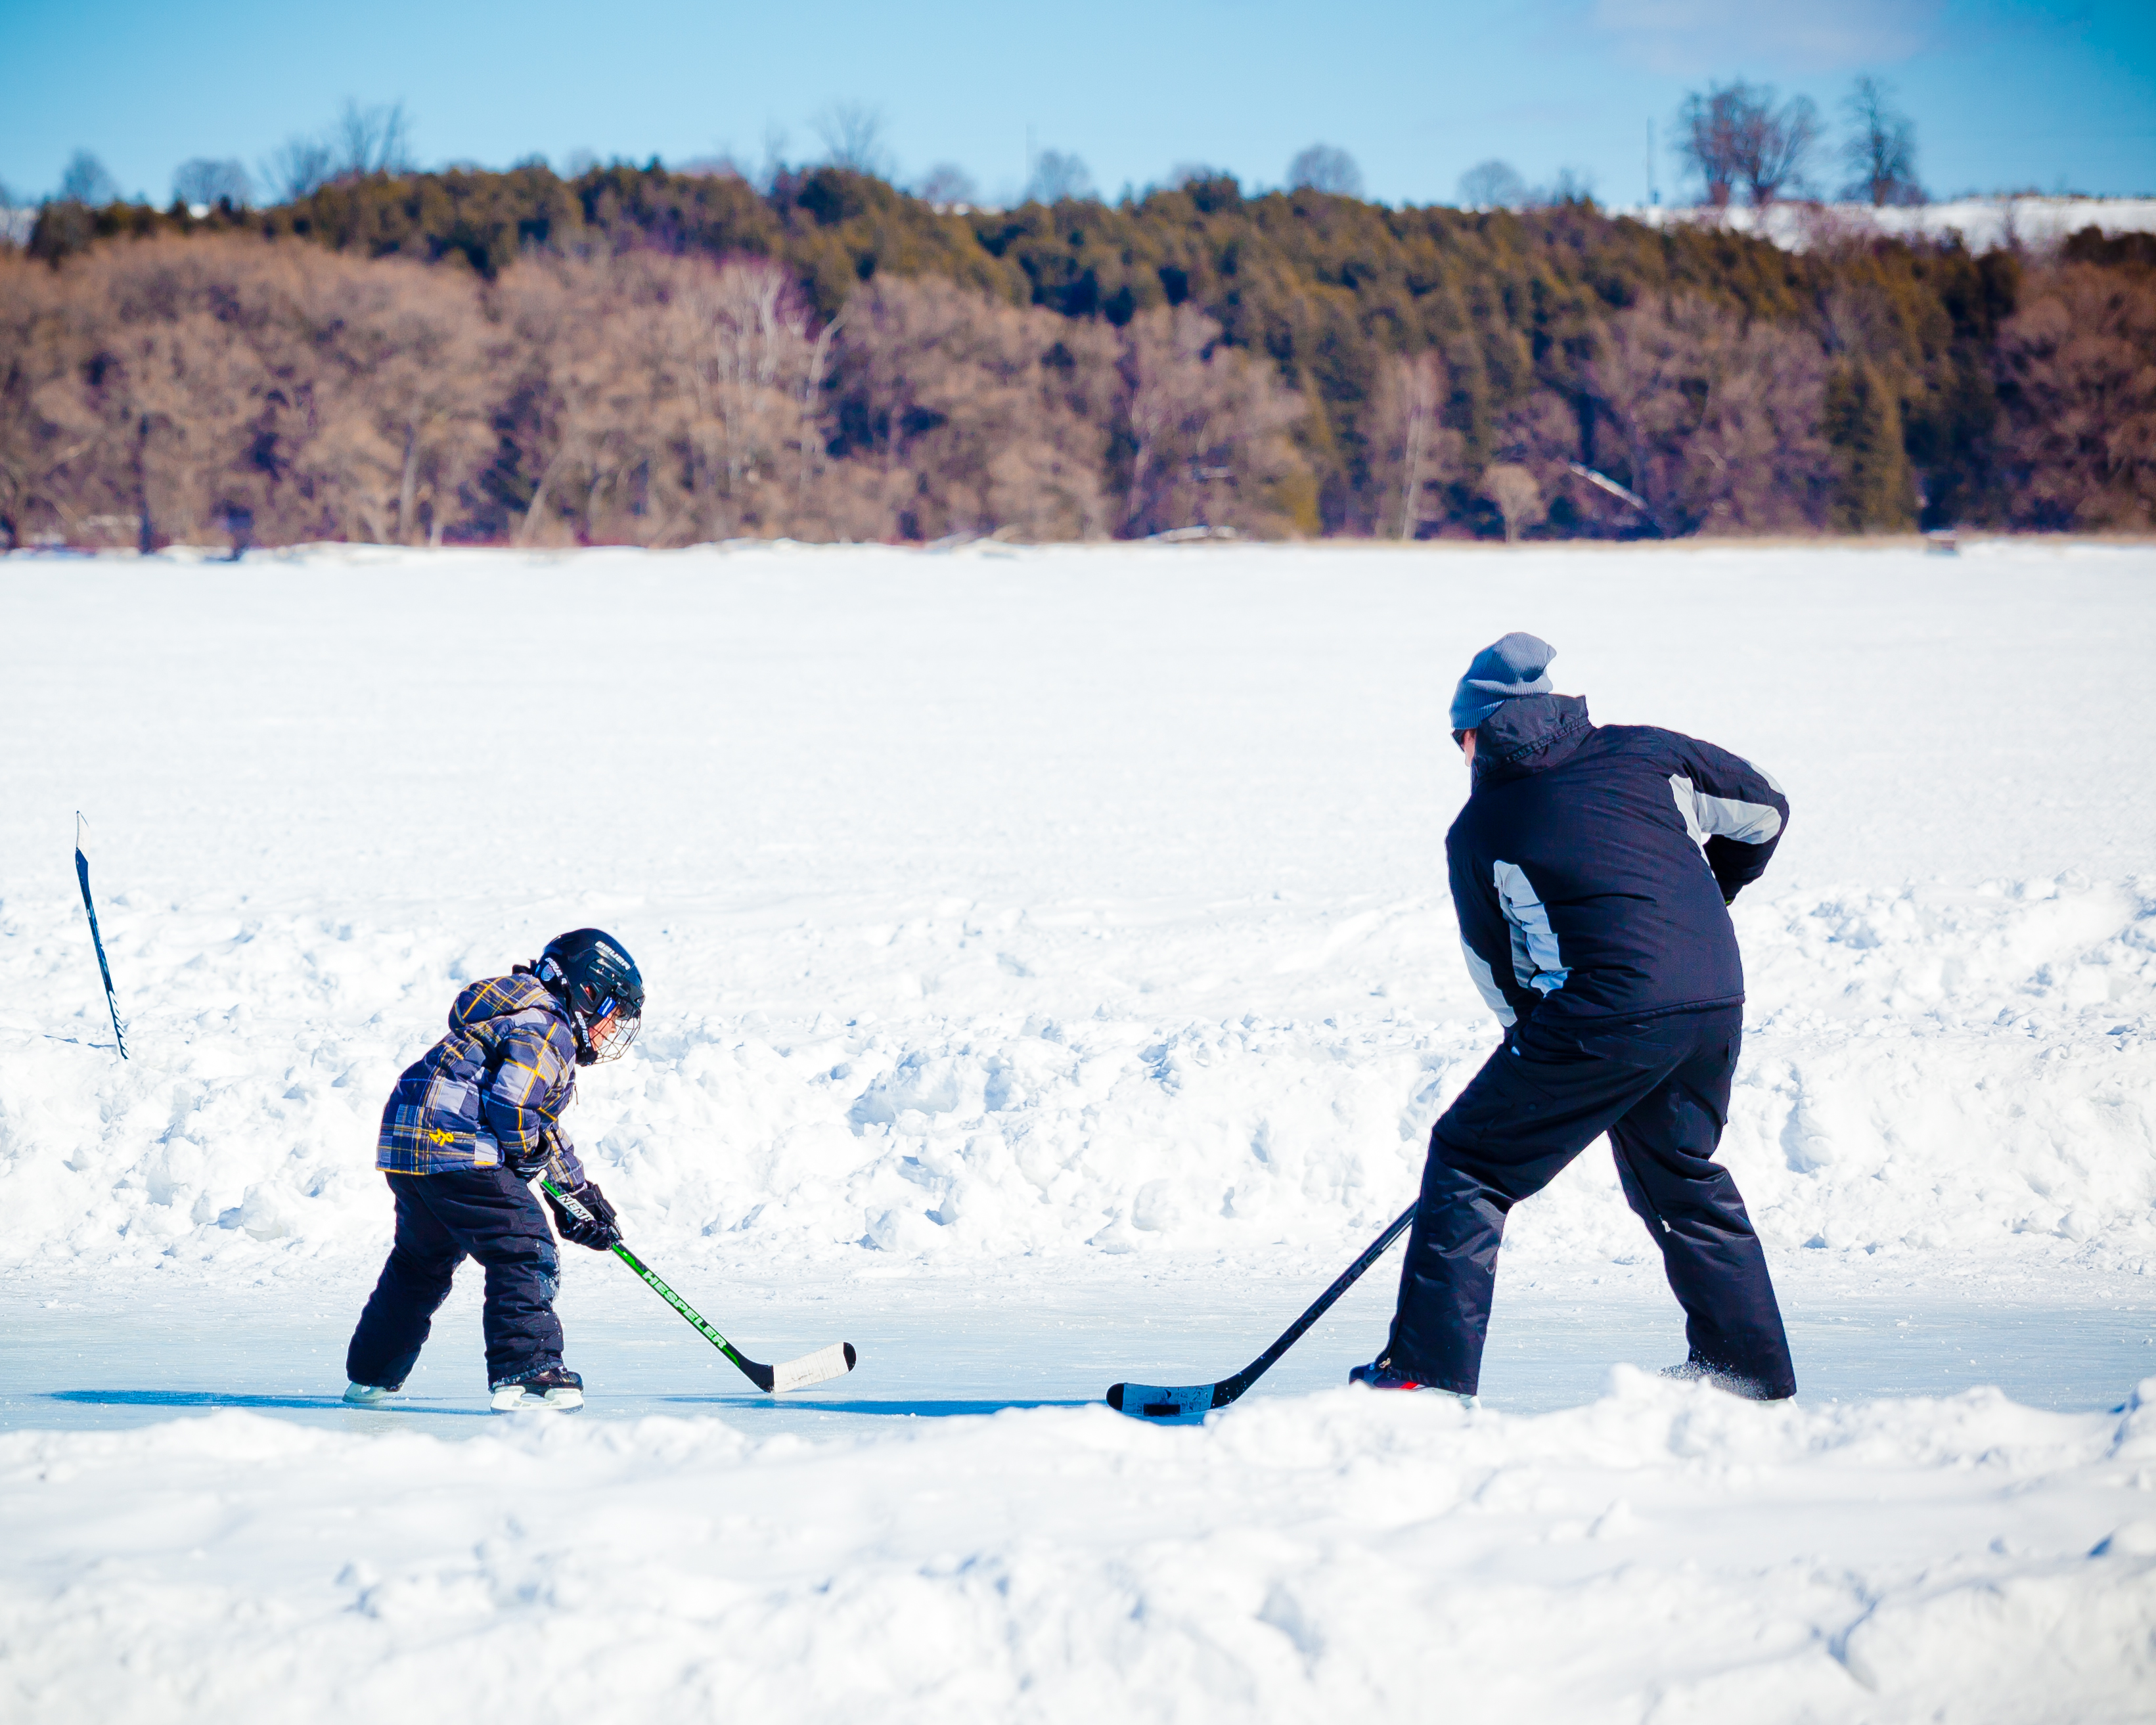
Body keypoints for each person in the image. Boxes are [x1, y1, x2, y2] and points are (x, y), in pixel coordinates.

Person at [1355, 633, 1797, 1402]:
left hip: (1608, 1011)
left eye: (1456, 739)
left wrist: (1541, 1057)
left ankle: (1423, 1378)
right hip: (1714, 996)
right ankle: (1744, 1370)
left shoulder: (1483, 826)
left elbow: (1502, 974)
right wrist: (1711, 897)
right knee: (1680, 1173)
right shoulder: (1650, 753)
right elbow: (1766, 812)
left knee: (1471, 1160)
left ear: (1475, 733)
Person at [343, 929, 644, 1412]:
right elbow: (513, 1106)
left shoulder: (520, 1015)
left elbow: (534, 1120)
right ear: (587, 992)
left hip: (411, 1146)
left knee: (421, 1263)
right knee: (523, 1246)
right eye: (613, 1015)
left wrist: (577, 1193)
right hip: (457, 1145)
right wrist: (529, 1159)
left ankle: (371, 1375)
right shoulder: (550, 1026)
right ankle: (527, 1373)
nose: (611, 1032)